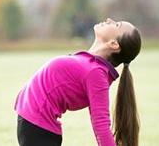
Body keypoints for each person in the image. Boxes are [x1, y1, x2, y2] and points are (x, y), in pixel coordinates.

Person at [15, 17, 142, 146]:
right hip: (34, 123)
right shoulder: (91, 63)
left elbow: (101, 125)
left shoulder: (97, 73)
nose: (110, 20)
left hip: (38, 128)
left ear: (114, 44)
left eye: (117, 25)